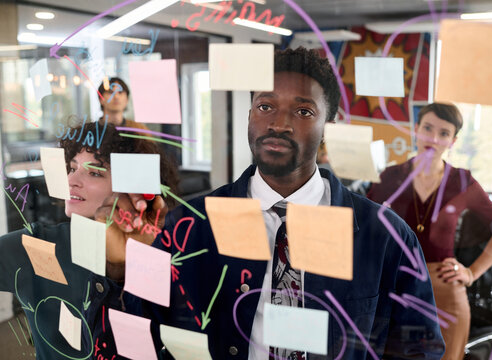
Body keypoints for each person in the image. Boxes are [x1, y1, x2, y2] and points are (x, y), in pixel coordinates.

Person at [88, 47, 445, 359]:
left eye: (303, 111)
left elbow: (420, 347)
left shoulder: (383, 236)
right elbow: (138, 330)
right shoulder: (190, 226)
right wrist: (124, 269)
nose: (279, 123)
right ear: (249, 115)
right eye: (265, 106)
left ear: (328, 125)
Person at [0, 121, 178, 359]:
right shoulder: (40, 245)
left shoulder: (161, 257)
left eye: (94, 172)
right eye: (73, 168)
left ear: (133, 189)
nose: (72, 180)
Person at [368, 103, 492, 360]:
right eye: (427, 128)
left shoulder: (461, 181)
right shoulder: (390, 177)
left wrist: (471, 273)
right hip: (396, 287)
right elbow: (363, 227)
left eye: (444, 133)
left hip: (445, 294)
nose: (433, 139)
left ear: (453, 140)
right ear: (415, 129)